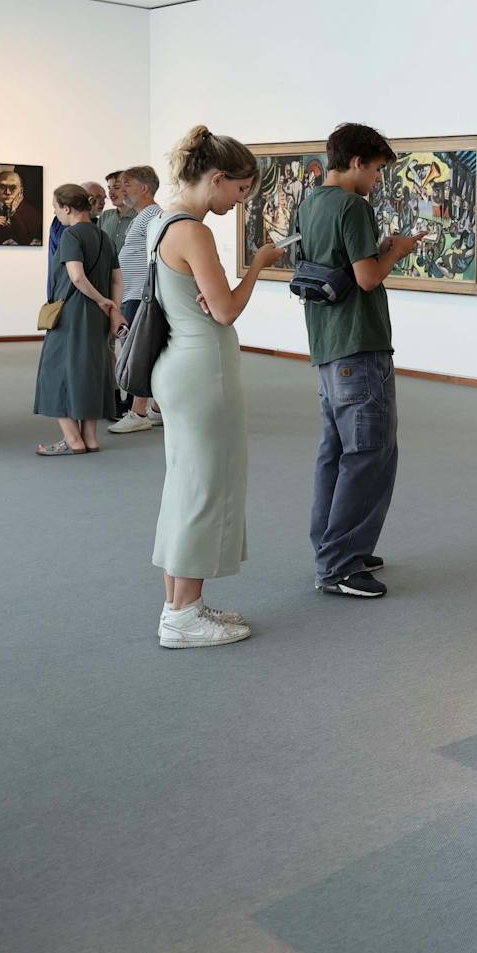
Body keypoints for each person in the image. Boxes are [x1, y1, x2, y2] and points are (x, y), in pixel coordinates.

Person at [149, 127, 284, 647]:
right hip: (203, 368)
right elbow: (224, 310)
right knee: (205, 488)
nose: (240, 202)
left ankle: (182, 604)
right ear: (217, 178)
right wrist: (256, 267)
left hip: (182, 366)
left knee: (187, 484)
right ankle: (182, 617)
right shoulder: (194, 231)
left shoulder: (163, 221)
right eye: (240, 191)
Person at [295, 123, 422, 599]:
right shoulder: (353, 206)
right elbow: (367, 278)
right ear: (355, 163)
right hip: (360, 344)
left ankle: (333, 545)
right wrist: (397, 250)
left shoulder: (311, 203)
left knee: (336, 452)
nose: (376, 181)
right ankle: (340, 563)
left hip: (327, 345)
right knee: (369, 454)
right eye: (375, 171)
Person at [33, 184, 125, 454]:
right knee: (90, 371)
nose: (55, 213)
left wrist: (98, 299)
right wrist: (111, 307)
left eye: (55, 208)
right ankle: (90, 438)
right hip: (98, 316)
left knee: (55, 371)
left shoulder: (71, 235)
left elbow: (76, 276)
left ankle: (72, 440)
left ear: (67, 208)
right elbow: (117, 278)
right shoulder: (103, 236)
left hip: (72, 313)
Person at [110, 166, 165, 434]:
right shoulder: (142, 216)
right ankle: (156, 409)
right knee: (144, 353)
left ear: (144, 188)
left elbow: (158, 257)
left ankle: (139, 411)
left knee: (138, 354)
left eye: (127, 184)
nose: (122, 190)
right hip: (134, 293)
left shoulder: (153, 215)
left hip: (141, 295)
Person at [0, 167, 42, 247]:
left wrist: (13, 212)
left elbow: (26, 240)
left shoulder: (31, 212)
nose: (8, 192)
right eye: (2, 187)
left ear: (21, 191)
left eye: (13, 188)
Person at [96, 170, 134, 250]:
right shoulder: (105, 216)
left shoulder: (141, 216)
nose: (110, 192)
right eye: (109, 188)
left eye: (116, 187)